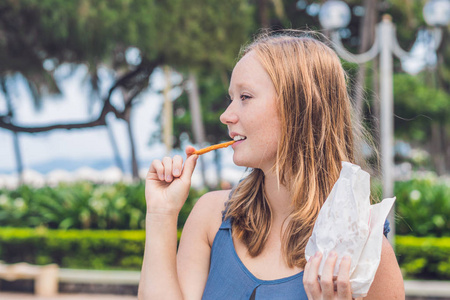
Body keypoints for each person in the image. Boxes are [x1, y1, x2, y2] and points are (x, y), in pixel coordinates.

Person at [138, 30, 405, 299]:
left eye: (245, 97)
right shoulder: (211, 217)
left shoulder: (365, 252)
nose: (226, 115)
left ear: (298, 106)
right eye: (232, 98)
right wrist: (161, 214)